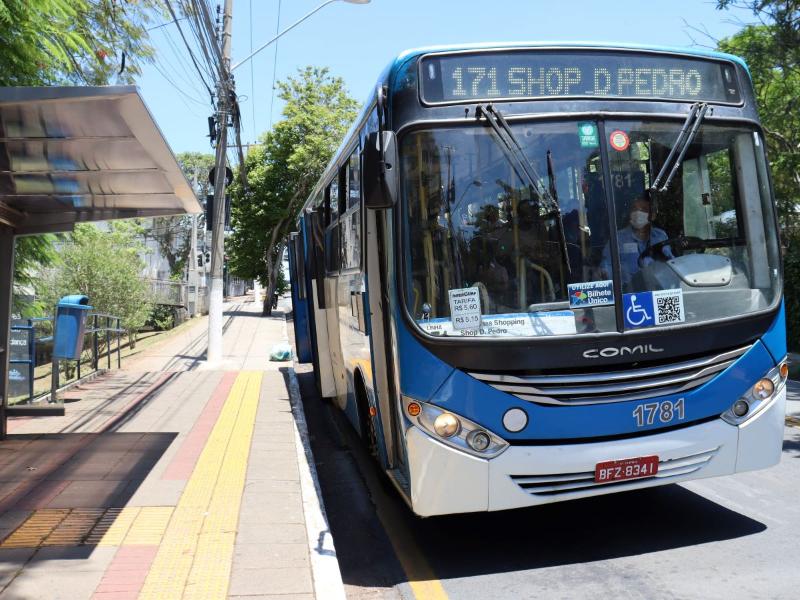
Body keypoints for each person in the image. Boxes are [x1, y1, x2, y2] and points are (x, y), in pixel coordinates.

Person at [601, 195, 672, 287]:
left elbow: (670, 263)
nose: (638, 213)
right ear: (630, 214)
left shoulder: (660, 236)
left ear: (652, 215)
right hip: (628, 293)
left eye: (643, 209)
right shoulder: (618, 238)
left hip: (657, 291)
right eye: (634, 209)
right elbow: (606, 267)